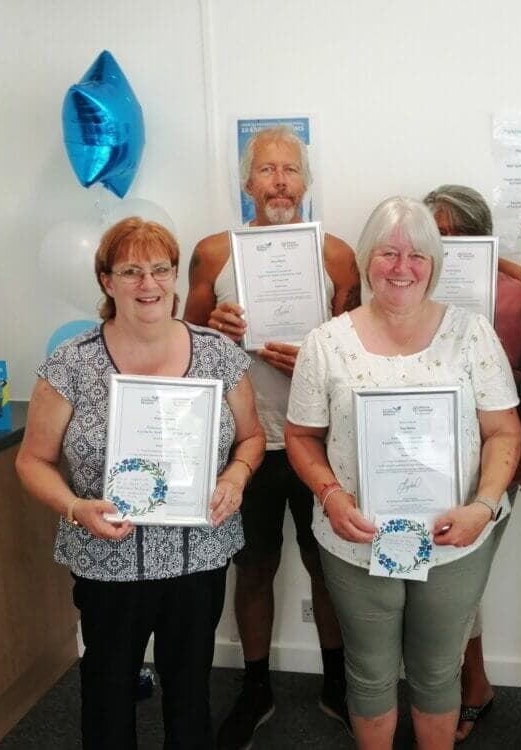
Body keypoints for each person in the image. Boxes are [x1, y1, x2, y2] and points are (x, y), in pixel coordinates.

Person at [15, 218, 266, 748]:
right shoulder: (72, 364)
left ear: (175, 276)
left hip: (197, 553)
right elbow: (32, 461)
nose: (147, 284)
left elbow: (252, 438)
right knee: (106, 696)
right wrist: (75, 507)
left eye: (159, 269)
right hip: (107, 557)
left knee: (190, 693)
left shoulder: (218, 354)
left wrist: (237, 477)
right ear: (106, 281)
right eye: (130, 271)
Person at [284, 196, 521, 749]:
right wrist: (330, 495)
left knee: (438, 671)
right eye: (388, 253)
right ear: (367, 260)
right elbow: (300, 438)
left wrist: (483, 507)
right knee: (368, 672)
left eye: (416, 255)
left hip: (455, 537)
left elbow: (504, 432)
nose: (401, 267)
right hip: (356, 537)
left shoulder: (471, 333)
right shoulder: (327, 343)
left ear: (434, 264)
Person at [184, 124, 361, 746]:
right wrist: (212, 326)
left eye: (290, 169)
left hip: (319, 441)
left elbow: (359, 347)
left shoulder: (336, 253)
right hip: (247, 442)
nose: (279, 180)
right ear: (247, 182)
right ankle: (256, 685)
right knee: (253, 568)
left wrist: (317, 356)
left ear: (306, 183)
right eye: (267, 170)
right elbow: (185, 340)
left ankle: (336, 682)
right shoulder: (214, 251)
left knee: (329, 567)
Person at [422, 184, 521, 742]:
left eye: (460, 234)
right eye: (436, 234)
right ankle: (472, 683)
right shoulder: (408, 285)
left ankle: (468, 687)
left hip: (492, 457)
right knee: (449, 582)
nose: (448, 245)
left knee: (466, 583)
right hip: (426, 459)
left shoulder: (516, 293)